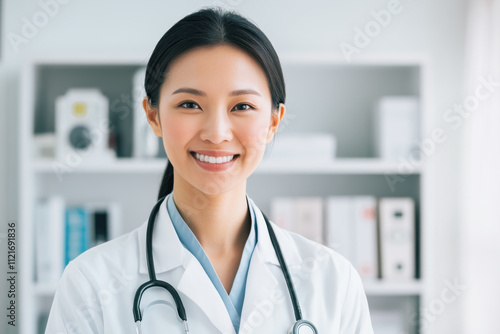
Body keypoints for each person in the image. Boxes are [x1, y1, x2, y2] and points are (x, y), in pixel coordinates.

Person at [45, 6, 374, 334]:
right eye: (190, 104)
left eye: (242, 106)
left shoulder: (333, 282)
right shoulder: (89, 286)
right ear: (153, 115)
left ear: (273, 121)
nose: (217, 133)